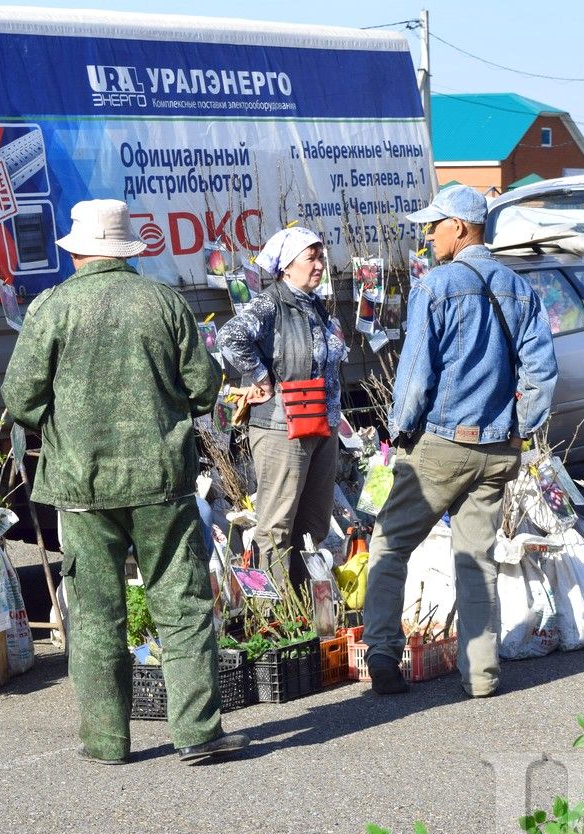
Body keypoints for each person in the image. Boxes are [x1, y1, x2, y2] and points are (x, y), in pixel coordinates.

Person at [2, 199, 247, 766]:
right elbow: (204, 387)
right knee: (181, 605)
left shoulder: (52, 308)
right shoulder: (164, 302)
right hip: (161, 479)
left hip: (81, 484)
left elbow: (20, 399)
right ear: (126, 247)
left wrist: (64, 425)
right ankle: (197, 735)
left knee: (93, 613)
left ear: (78, 249)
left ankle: (107, 741)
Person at [361, 184, 558, 697]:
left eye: (435, 225)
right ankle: (481, 674)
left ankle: (382, 655)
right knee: (476, 557)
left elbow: (415, 377)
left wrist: (398, 430)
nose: (428, 236)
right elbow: (541, 369)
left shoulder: (436, 285)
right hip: (498, 447)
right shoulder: (518, 288)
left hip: (445, 443)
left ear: (461, 229)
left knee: (389, 542)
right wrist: (522, 425)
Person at [218, 226, 346, 587]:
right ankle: (274, 615)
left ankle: (307, 608)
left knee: (314, 524)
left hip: (322, 425)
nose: (320, 264)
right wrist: (260, 376)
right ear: (287, 267)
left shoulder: (314, 305)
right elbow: (230, 336)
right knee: (276, 526)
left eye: (321, 256)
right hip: (281, 427)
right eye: (311, 258)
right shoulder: (271, 303)